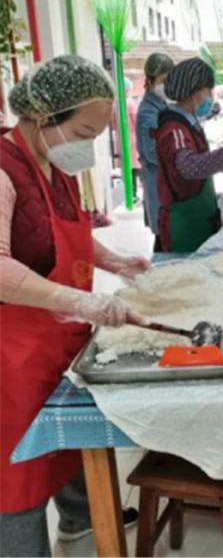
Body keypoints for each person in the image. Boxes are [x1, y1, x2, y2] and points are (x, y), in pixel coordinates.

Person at [0, 55, 148, 557]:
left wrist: (116, 262)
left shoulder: (53, 164)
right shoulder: (4, 170)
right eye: (83, 132)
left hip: (58, 337)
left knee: (69, 440)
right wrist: (79, 300)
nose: (87, 146)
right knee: (17, 469)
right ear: (44, 117)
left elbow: (68, 231)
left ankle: (81, 521)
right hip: (13, 352)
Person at [155, 57, 223, 252]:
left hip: (199, 214)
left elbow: (200, 163)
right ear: (195, 92)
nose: (211, 96)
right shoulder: (174, 128)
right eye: (208, 90)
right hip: (184, 223)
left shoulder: (189, 123)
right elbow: (188, 167)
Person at [136, 53, 175, 251]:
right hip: (158, 183)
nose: (168, 85)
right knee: (163, 238)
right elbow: (153, 154)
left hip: (165, 182)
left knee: (169, 234)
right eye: (165, 80)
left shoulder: (162, 104)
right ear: (151, 79)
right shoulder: (148, 112)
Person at [112, 77, 141, 199]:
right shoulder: (130, 103)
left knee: (126, 168)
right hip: (132, 139)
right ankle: (133, 194)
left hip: (120, 138)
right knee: (134, 168)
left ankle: (127, 194)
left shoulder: (115, 104)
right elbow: (137, 122)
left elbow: (113, 124)